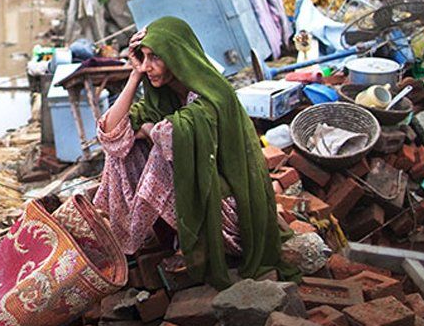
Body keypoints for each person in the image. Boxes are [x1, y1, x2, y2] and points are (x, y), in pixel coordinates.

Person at [92, 16, 294, 289]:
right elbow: (110, 132)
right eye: (144, 57)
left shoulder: (212, 95)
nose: (148, 65)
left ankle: (187, 242)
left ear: (177, 57)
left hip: (229, 211)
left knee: (160, 153)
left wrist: (151, 131)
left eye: (155, 58)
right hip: (197, 194)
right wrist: (134, 74)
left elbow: (172, 138)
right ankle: (151, 235)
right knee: (121, 152)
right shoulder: (161, 98)